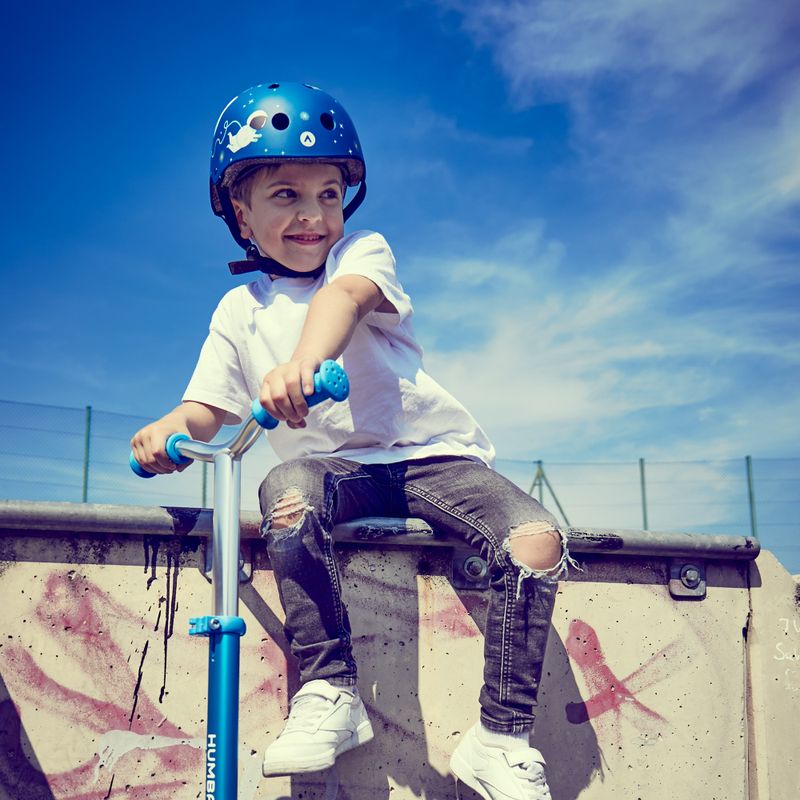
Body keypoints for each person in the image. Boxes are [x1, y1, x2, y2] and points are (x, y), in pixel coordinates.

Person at [131, 81, 578, 800]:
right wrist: (166, 432)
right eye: (286, 195)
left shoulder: (362, 253)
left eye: (329, 194)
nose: (313, 215)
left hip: (432, 458)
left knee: (535, 541)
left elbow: (344, 300)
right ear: (241, 214)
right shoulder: (238, 311)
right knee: (287, 497)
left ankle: (500, 737)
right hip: (337, 469)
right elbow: (206, 410)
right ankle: (330, 691)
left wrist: (305, 363)